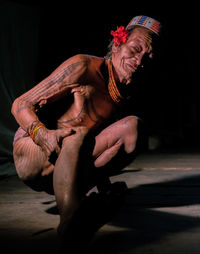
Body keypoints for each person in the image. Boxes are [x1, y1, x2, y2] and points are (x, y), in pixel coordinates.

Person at [11, 15, 161, 237]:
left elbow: (93, 136)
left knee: (133, 128)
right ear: (118, 43)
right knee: (77, 133)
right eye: (134, 50)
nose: (139, 62)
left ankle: (85, 202)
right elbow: (20, 104)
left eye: (146, 57)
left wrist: (104, 185)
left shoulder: (122, 92)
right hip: (34, 152)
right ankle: (69, 222)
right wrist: (42, 135)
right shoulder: (84, 66)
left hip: (66, 168)